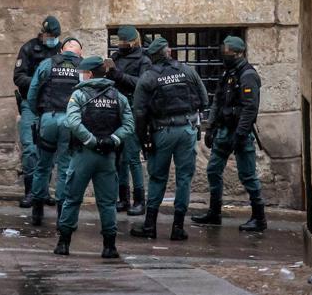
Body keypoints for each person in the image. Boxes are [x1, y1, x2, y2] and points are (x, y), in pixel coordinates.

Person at [130, 37, 208, 241]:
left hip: (162, 131)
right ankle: (178, 227)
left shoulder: (148, 78)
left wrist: (143, 140)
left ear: (152, 57)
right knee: (184, 179)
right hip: (187, 129)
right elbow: (204, 100)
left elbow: (138, 112)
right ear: (169, 53)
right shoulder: (188, 71)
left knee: (157, 177)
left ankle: (150, 226)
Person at [55, 56, 134, 258]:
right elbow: (129, 125)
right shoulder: (118, 96)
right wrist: (113, 140)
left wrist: (90, 141)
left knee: (72, 198)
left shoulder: (79, 95)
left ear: (89, 74)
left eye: (81, 72)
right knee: (107, 202)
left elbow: (72, 122)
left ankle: (63, 243)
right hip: (107, 156)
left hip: (84, 154)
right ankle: (109, 246)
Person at [191, 36, 267, 232]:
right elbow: (218, 101)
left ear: (239, 53)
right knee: (213, 170)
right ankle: (214, 213)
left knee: (247, 175)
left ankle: (259, 217)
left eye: (229, 54)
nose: (226, 56)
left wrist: (241, 133)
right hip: (223, 131)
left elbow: (250, 108)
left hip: (239, 132)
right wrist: (211, 127)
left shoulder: (248, 75)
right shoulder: (228, 73)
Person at [27, 37, 83, 226]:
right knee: (65, 168)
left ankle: (37, 210)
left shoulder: (47, 64)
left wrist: (38, 114)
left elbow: (33, 92)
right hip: (70, 122)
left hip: (48, 119)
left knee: (43, 165)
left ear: (61, 50)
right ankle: (62, 215)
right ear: (79, 53)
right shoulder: (82, 67)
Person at [13, 16, 62, 208]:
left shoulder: (61, 50)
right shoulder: (29, 48)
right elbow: (18, 77)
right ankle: (30, 192)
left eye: (55, 36)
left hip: (52, 106)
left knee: (49, 149)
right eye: (50, 35)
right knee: (30, 148)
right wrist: (39, 81)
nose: (52, 39)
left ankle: (42, 192)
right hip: (31, 104)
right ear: (43, 33)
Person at [105, 25, 152, 216]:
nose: (121, 45)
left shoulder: (144, 60)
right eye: (120, 42)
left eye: (124, 42)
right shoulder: (116, 58)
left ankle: (139, 199)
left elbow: (142, 84)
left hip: (133, 110)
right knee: (118, 158)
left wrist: (119, 75)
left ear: (134, 42)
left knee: (132, 156)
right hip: (115, 109)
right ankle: (122, 198)